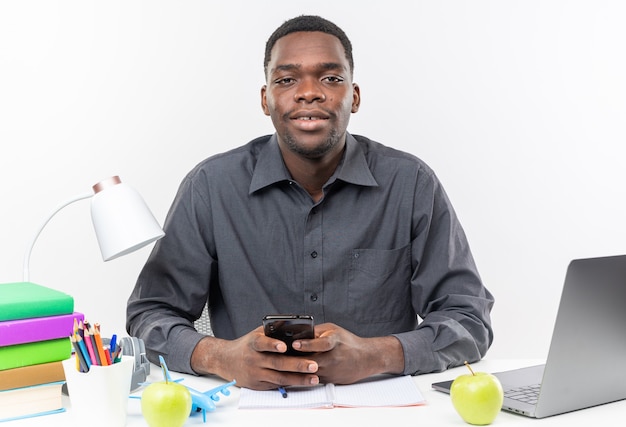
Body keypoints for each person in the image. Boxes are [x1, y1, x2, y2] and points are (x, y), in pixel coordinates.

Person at [127, 15, 494, 391]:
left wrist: (376, 355)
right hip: (248, 412)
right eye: (286, 79)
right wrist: (222, 357)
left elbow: (468, 319)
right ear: (265, 99)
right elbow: (150, 313)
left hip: (382, 410)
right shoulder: (211, 186)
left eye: (331, 78)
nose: (309, 92)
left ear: (354, 96)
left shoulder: (411, 183)